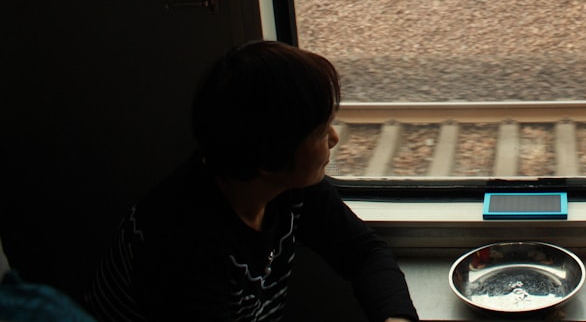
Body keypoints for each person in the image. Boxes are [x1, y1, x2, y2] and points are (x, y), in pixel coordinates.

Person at [86, 40, 418, 322]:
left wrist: (396, 317)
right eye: (319, 131)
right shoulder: (181, 245)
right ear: (267, 159)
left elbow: (363, 252)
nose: (334, 138)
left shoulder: (287, 186)